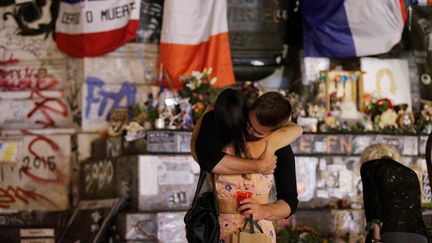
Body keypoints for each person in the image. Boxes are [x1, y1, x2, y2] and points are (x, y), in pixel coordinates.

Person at [191, 88, 303, 243]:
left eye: (258, 132)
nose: (249, 131)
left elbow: (290, 202)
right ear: (249, 109)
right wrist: (258, 166)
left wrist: (264, 210)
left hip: (257, 234)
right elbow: (208, 160)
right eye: (249, 123)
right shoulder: (226, 125)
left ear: (276, 131)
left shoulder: (280, 144)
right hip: (216, 232)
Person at [360, 144, 428, 243]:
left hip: (391, 234)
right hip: (420, 236)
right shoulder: (410, 173)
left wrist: (376, 238)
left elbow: (373, 205)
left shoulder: (370, 167)